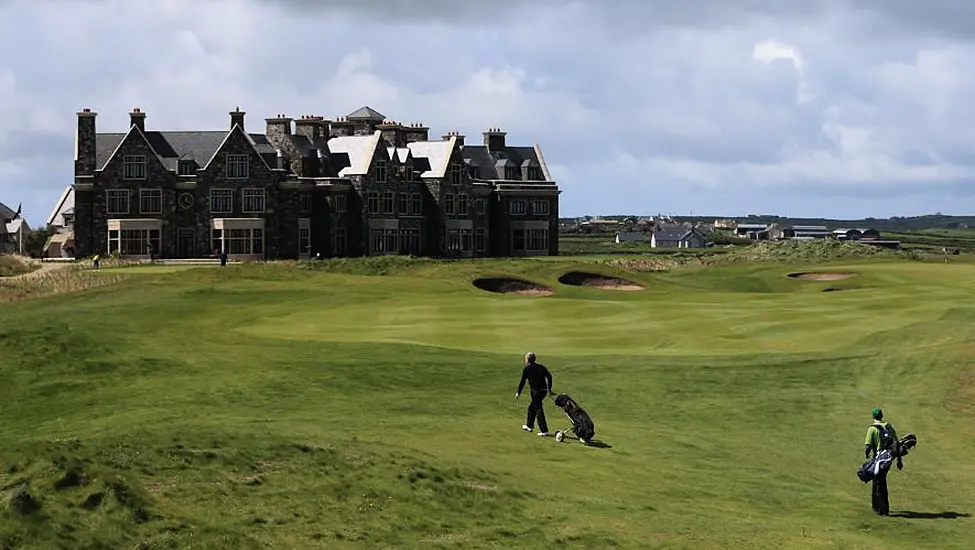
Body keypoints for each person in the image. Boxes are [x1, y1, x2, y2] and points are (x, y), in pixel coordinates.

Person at [864, 408, 902, 516]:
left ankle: (882, 509)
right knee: (878, 481)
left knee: (879, 483)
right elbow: (897, 444)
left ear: (873, 417)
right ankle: (876, 506)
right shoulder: (889, 427)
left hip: (879, 459)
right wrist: (899, 460)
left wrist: (867, 454)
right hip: (888, 459)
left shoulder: (872, 429)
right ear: (882, 416)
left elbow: (868, 446)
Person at [515, 352, 553, 437]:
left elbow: (522, 382)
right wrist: (549, 389)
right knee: (531, 408)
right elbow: (549, 377)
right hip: (543, 391)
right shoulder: (541, 367)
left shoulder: (527, 369)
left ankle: (544, 431)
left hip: (536, 392)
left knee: (538, 409)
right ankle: (529, 426)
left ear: (527, 360)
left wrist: (518, 392)